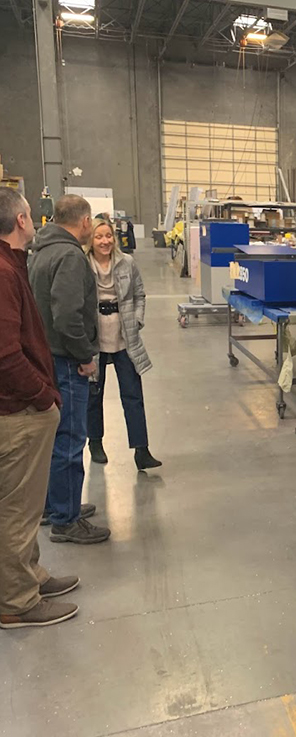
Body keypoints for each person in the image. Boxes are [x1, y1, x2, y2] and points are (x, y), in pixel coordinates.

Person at [0, 189, 80, 628]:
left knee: (26, 506)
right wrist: (43, 396)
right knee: (17, 509)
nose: (34, 221)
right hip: (18, 413)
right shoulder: (3, 272)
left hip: (21, 408)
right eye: (30, 214)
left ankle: (29, 576)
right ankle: (17, 601)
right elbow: (5, 355)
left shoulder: (15, 264)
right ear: (20, 220)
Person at [30, 195, 111, 545]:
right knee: (70, 438)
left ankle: (55, 505)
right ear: (85, 221)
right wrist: (84, 355)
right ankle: (66, 520)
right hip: (65, 360)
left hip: (46, 356)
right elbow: (67, 316)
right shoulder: (70, 256)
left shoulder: (41, 250)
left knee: (56, 438)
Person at [84, 218, 161, 470]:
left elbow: (139, 294)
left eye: (108, 236)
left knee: (133, 394)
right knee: (94, 394)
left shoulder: (127, 262)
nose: (105, 241)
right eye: (99, 237)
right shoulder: (82, 264)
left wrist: (137, 320)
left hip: (124, 337)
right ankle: (95, 442)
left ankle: (141, 450)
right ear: (91, 240)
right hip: (95, 340)